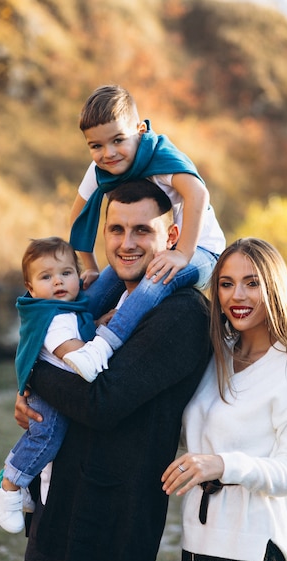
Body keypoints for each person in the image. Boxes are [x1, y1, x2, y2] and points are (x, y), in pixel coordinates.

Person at [14, 179, 212, 561]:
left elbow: (102, 402)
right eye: (117, 230)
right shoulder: (100, 302)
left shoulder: (181, 313)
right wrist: (28, 395)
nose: (127, 243)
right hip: (55, 513)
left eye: (142, 230)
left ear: (172, 238)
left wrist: (31, 370)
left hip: (108, 530)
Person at [161, 237, 287, 561]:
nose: (237, 295)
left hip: (254, 545)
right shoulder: (215, 353)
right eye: (226, 283)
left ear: (274, 287)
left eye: (252, 283)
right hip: (198, 540)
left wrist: (222, 464)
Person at [61, 84, 225, 382]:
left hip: (201, 251)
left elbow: (197, 193)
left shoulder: (159, 157)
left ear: (139, 129)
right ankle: (60, 351)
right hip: (153, 247)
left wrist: (182, 253)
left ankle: (102, 347)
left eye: (118, 140)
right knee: (93, 295)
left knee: (156, 277)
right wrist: (90, 266)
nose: (108, 153)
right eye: (96, 146)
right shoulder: (99, 169)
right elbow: (78, 216)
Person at [0, 237, 97, 534]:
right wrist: (109, 336)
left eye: (66, 273)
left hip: (56, 389)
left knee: (45, 438)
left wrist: (99, 323)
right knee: (45, 437)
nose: (58, 282)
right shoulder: (52, 318)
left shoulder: (68, 309)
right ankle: (7, 485)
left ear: (79, 274)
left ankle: (14, 481)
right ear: (31, 287)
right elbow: (80, 356)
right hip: (50, 395)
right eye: (46, 277)